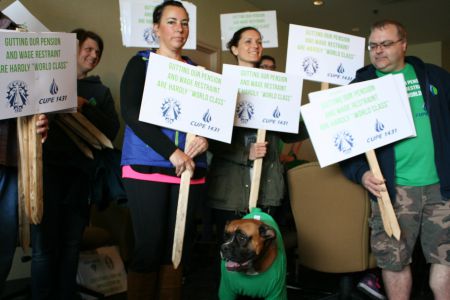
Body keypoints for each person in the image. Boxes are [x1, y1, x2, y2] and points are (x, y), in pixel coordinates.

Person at [341, 20, 450, 300]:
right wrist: (361, 173)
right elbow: (343, 144)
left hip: (442, 188)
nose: (378, 51)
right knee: (394, 260)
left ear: (403, 44)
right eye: (373, 45)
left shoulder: (434, 77)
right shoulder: (359, 87)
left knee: (445, 258)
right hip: (392, 190)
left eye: (386, 44)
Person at [120, 1, 208, 299]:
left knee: (178, 248)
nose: (179, 29)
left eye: (184, 23)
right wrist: (172, 152)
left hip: (190, 170)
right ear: (156, 28)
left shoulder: (198, 71)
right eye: (172, 22)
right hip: (147, 167)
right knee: (149, 246)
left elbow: (213, 121)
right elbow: (131, 112)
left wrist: (207, 139)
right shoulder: (141, 63)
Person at [31, 29, 119, 299]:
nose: (93, 55)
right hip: (46, 172)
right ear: (71, 48)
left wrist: (86, 106)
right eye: (88, 49)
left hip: (81, 177)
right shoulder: (44, 79)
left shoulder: (100, 92)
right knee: (44, 248)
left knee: (71, 244)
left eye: (97, 52)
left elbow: (112, 130)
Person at [207, 26, 308, 252]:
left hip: (267, 185)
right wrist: (246, 153)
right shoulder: (223, 85)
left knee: (265, 252)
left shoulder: (274, 87)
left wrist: (318, 118)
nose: (255, 46)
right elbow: (209, 137)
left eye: (259, 42)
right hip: (231, 189)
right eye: (248, 41)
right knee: (231, 252)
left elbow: (289, 132)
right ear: (234, 48)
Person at [0, 11, 49, 295]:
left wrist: (39, 121)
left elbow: (34, 94)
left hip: (10, 158)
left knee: (5, 245)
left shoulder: (19, 34)